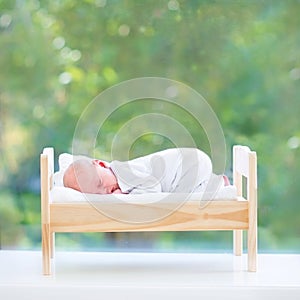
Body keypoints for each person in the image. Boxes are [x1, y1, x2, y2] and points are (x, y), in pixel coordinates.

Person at [63, 147, 230, 194]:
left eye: (100, 183)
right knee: (182, 192)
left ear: (101, 164)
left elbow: (154, 188)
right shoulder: (117, 178)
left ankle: (217, 185)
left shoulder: (125, 173)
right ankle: (211, 182)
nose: (106, 191)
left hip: (189, 164)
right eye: (97, 193)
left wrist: (126, 196)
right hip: (189, 164)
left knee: (183, 201)